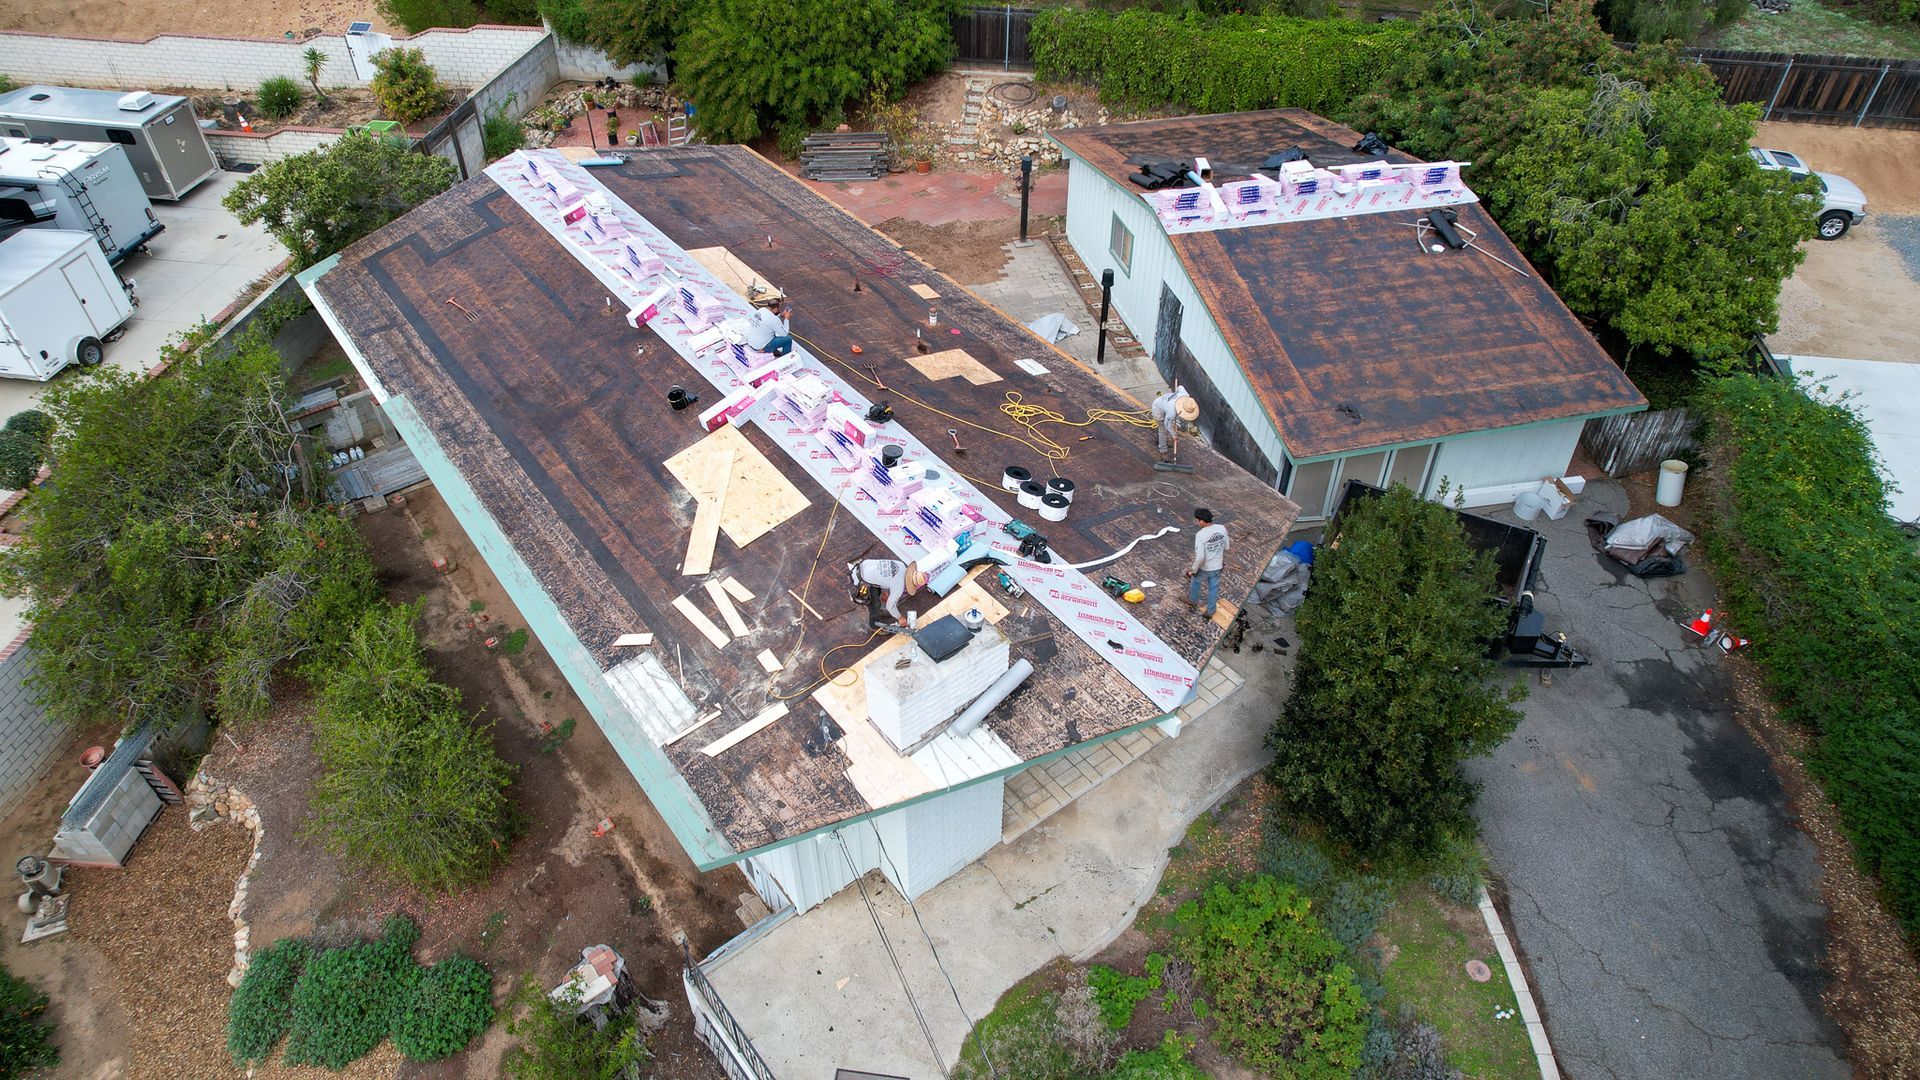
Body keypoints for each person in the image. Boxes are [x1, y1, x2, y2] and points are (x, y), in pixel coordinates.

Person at [849, 558, 924, 628]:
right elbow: (890, 606)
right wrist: (900, 618)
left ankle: (880, 610)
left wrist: (884, 593)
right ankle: (874, 625)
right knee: (874, 603)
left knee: (877, 591)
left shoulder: (901, 565)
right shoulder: (899, 586)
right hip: (860, 581)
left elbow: (884, 576)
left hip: (859, 567)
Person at [1186, 508, 1229, 617]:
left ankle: (1193, 600)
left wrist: (1194, 570)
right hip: (1218, 565)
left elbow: (1200, 557)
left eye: (1197, 520)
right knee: (1213, 588)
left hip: (1206, 567)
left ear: (1201, 521)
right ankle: (1211, 611)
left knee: (1195, 581)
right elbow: (1227, 547)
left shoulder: (1201, 535)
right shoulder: (1221, 528)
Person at [1149, 385, 1198, 462]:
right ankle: (1163, 451)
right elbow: (1167, 424)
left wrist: (1176, 393)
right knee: (1162, 430)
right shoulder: (1172, 411)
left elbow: (1180, 387)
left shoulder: (1185, 395)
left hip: (1165, 404)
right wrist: (1174, 435)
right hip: (1157, 408)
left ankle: (1160, 440)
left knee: (1170, 425)